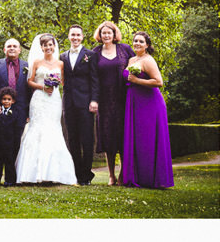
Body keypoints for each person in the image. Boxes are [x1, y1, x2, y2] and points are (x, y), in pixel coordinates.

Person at [16, 33, 77, 185]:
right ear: (41, 47)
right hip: (39, 99)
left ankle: (54, 173)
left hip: (54, 100)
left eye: (50, 45)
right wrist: (43, 87)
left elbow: (63, 82)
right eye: (45, 45)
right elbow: (29, 81)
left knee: (53, 130)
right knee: (37, 129)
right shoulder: (36, 62)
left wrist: (54, 84)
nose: (48, 47)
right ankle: (31, 174)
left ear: (54, 46)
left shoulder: (60, 64)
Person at [122, 31, 174, 188]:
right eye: (135, 40)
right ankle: (139, 177)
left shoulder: (148, 60)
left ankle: (153, 179)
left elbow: (159, 82)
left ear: (147, 45)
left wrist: (137, 80)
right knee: (138, 140)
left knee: (149, 140)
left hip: (150, 104)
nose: (137, 43)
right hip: (135, 103)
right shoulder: (132, 59)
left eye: (141, 41)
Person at [92, 20, 134, 185]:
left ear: (114, 34)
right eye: (104, 33)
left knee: (124, 137)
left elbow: (137, 64)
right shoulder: (95, 53)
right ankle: (111, 175)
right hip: (104, 102)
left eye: (109, 33)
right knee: (108, 138)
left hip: (123, 99)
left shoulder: (125, 49)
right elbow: (92, 78)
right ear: (100, 36)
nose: (107, 35)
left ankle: (123, 174)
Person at [0, 38, 29, 186]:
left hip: (19, 113)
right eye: (8, 46)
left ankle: (11, 179)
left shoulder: (26, 66)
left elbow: (29, 92)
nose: (12, 48)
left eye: (15, 46)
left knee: (15, 145)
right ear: (4, 49)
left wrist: (28, 112)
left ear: (19, 50)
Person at [60, 25, 99, 185]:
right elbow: (59, 78)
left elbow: (95, 80)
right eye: (72, 35)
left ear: (82, 37)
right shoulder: (62, 56)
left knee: (87, 139)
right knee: (72, 139)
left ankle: (86, 175)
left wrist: (94, 100)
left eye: (78, 35)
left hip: (85, 103)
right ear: (69, 37)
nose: (75, 38)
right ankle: (76, 174)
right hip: (68, 103)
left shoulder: (90, 55)